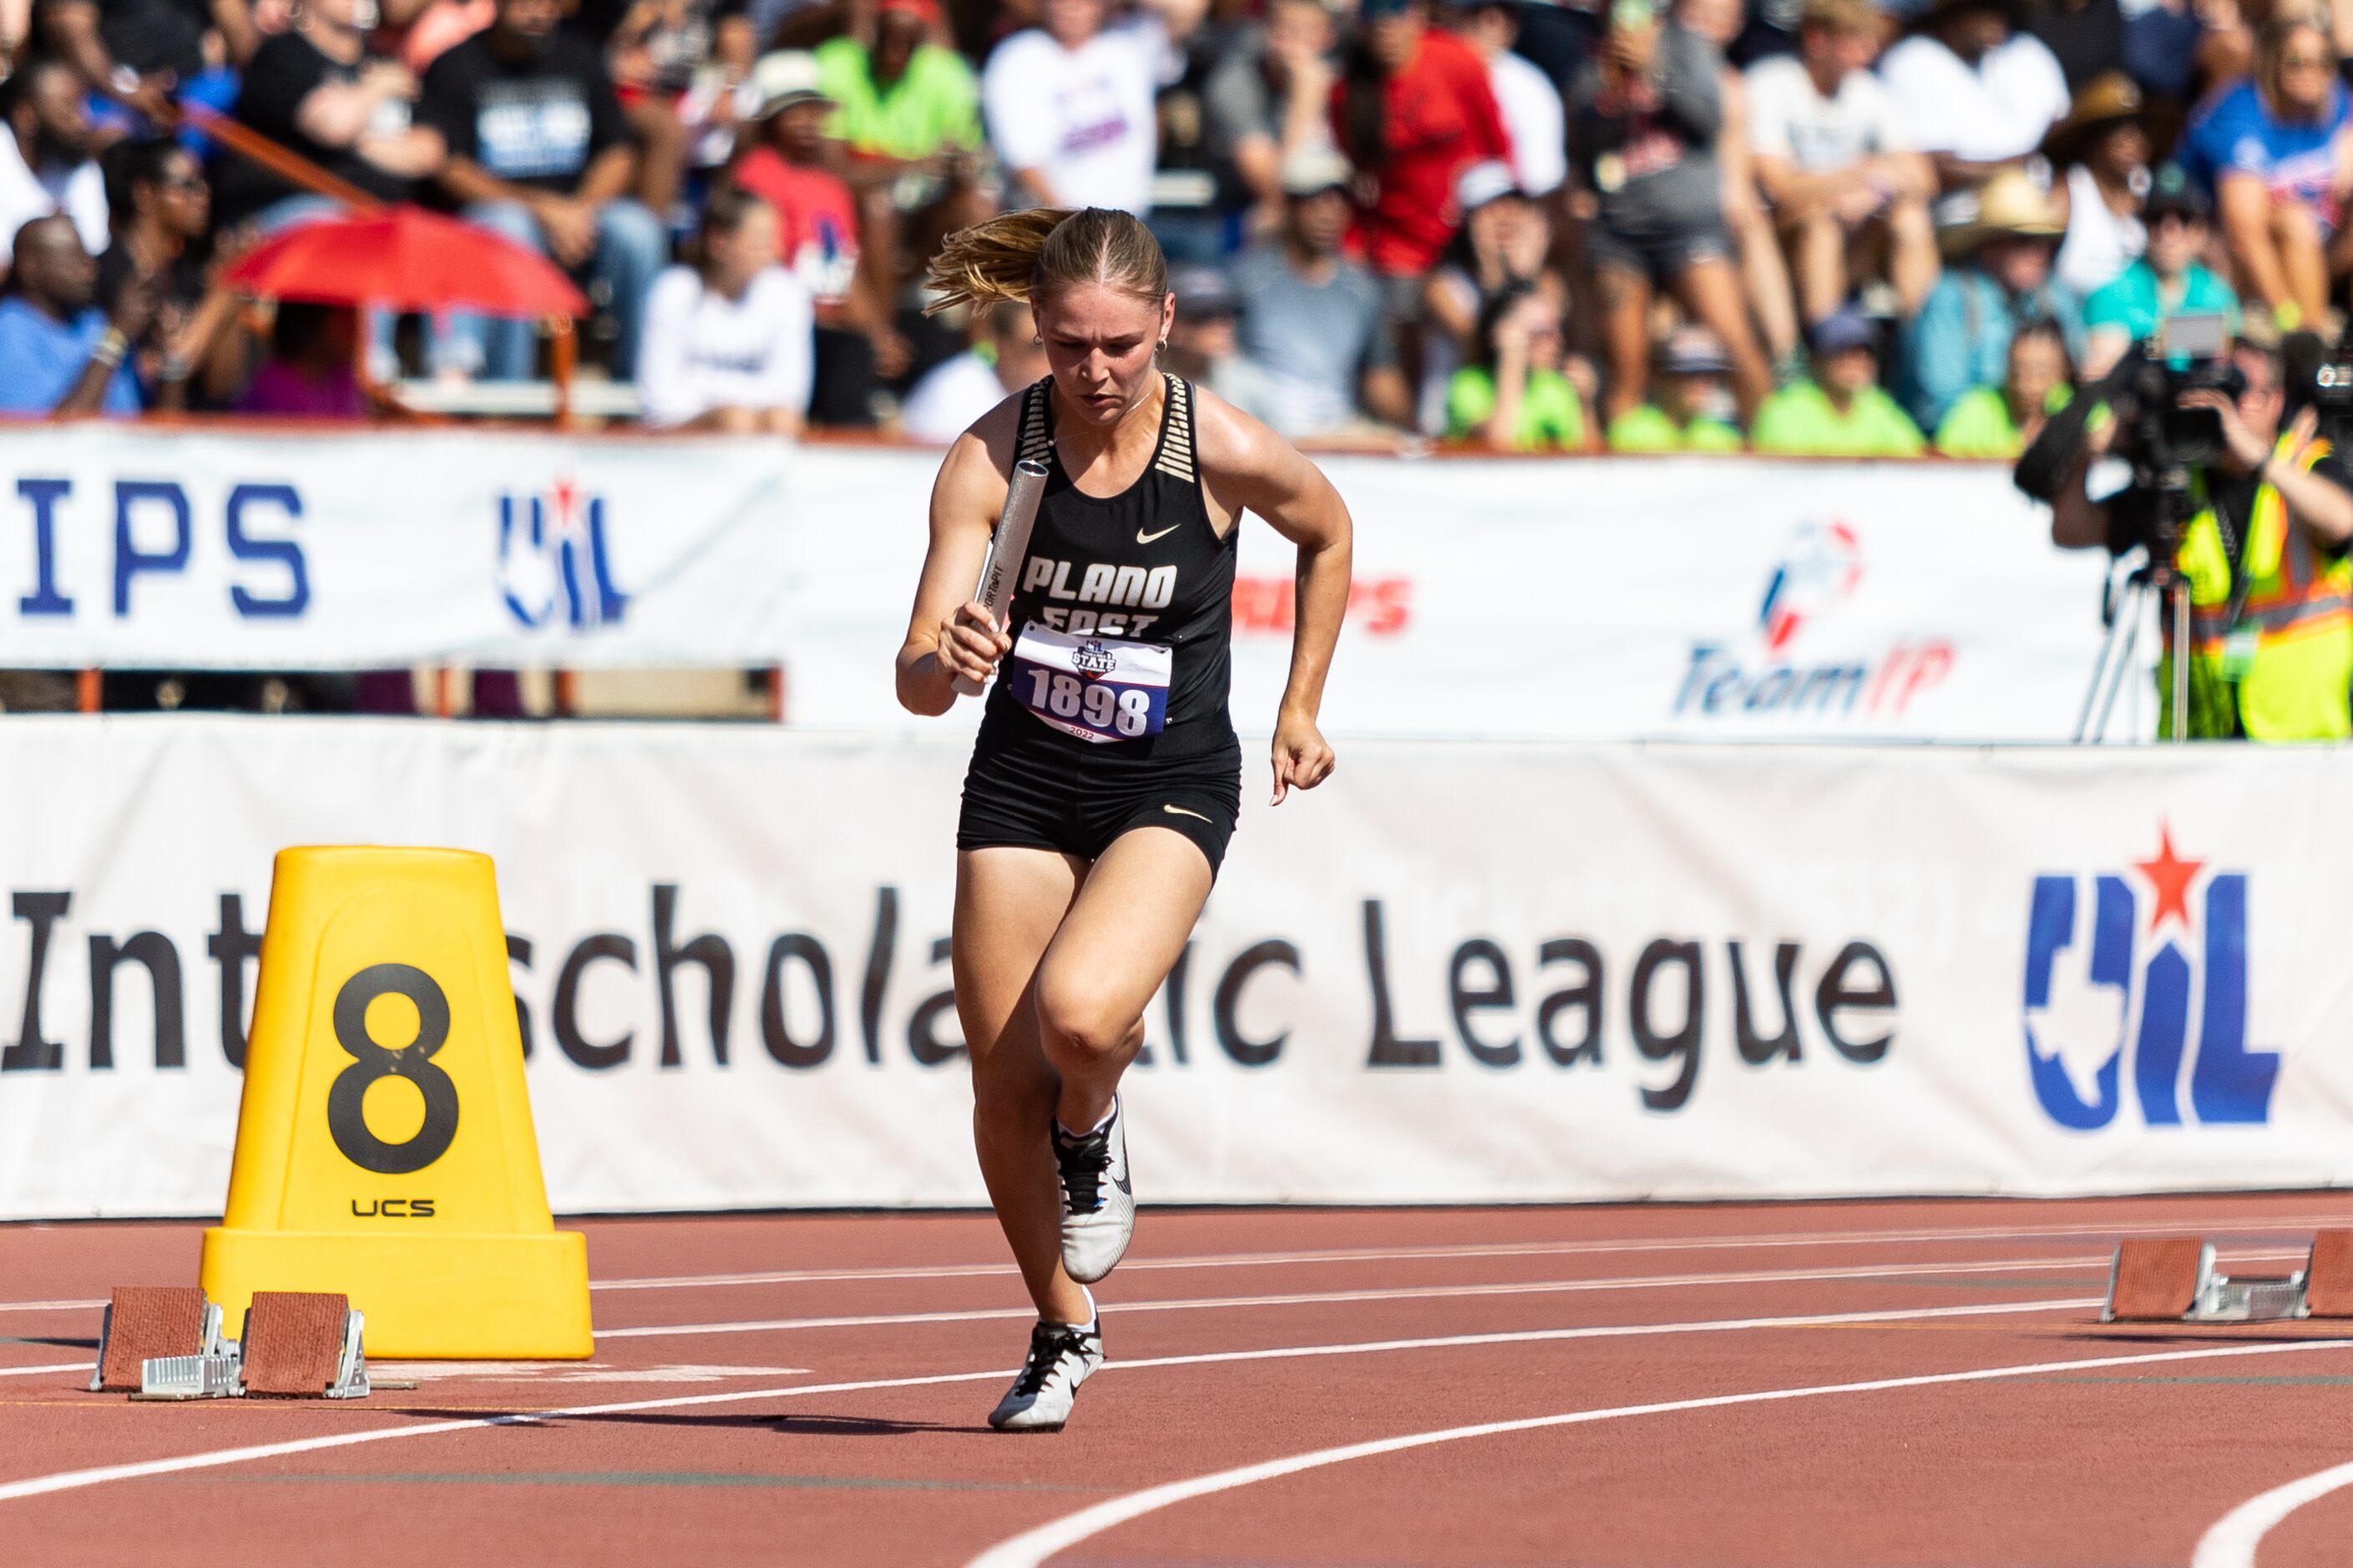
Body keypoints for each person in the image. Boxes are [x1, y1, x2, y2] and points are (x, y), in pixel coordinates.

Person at [898, 205, 1349, 1431]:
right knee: (998, 1088)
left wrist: (1298, 705)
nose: (1093, 373)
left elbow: (1326, 531)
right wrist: (954, 652)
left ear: (1163, 323)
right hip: (1024, 783)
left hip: (1166, 777)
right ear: (1033, 331)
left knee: (1083, 1019)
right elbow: (915, 682)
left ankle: (1093, 1128)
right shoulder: (992, 460)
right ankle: (1061, 1326)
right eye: (1065, 346)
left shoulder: (1221, 448)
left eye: (1117, 346)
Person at [2047, 338, 2353, 739]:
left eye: (2238, 393)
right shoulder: (2175, 483)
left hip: (2301, 745)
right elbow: (2070, 531)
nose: (2223, 408)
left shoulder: (2306, 464)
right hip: (2200, 745)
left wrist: (2255, 456)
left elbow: (2341, 520)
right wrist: (2091, 448)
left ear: (2275, 401)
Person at [418, 0, 666, 380]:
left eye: (549, 2)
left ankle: (644, 385)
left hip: (579, 219)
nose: (539, 10)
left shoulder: (581, 57)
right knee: (509, 226)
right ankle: (507, 392)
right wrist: (541, 209)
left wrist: (579, 211)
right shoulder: (455, 65)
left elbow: (617, 153)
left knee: (638, 230)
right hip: (494, 220)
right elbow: (450, 169)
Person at [1569, 0, 1770, 424]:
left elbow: (1708, 120)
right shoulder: (1590, 66)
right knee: (1627, 366)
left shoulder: (1688, 46)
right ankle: (1622, 465)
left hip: (1691, 228)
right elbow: (1583, 152)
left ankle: (1772, 452)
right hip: (1620, 234)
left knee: (1735, 345)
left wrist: (1655, 70)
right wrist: (1611, 96)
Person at [731, 50, 902, 424]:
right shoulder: (755, 176)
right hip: (778, 327)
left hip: (831, 327)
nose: (808, 121)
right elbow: (761, 268)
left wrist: (878, 332)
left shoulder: (831, 187)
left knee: (869, 351)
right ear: (771, 118)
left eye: (814, 111)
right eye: (795, 111)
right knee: (848, 358)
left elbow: (842, 268)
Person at [1744, 0, 1936, 326]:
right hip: (1787, 238)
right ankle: (1828, 347)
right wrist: (1861, 174)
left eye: (1873, 39)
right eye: (1857, 38)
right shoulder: (1769, 83)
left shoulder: (1870, 91)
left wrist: (1873, 192)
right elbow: (1781, 189)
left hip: (1857, 236)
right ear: (1816, 40)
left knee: (1911, 217)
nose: (1870, 49)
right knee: (1821, 226)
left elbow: (1924, 177)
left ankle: (1920, 343)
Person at [1333, 0, 1510, 319]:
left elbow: (1497, 144)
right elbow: (1357, 176)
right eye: (1373, 14)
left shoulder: (1455, 60)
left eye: (1396, 11)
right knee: (1406, 339)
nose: (1385, 25)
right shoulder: (1349, 92)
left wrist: (1501, 218)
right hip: (1399, 246)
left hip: (1466, 237)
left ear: (1417, 16)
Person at [2178, 18, 2350, 338]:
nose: (2310, 73)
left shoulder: (2336, 101)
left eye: (2322, 63)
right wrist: (2288, 319)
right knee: (2294, 220)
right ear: (2272, 63)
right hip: (2221, 267)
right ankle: (2307, 340)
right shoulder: (2239, 115)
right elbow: (2244, 233)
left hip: (2307, 255)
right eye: (2296, 62)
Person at [1230, 144, 1411, 435]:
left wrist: (1417, 435)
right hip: (1265, 436)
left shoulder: (1363, 291)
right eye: (1314, 201)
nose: (1328, 213)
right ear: (1288, 206)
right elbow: (1225, 366)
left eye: (1338, 202)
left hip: (1339, 436)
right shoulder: (1246, 280)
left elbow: (1382, 379)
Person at [219, 0, 446, 228]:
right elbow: (334, 127)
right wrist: (378, 88)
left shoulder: (383, 60)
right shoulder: (282, 55)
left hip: (388, 216)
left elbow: (431, 153)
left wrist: (353, 134)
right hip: (301, 210)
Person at [1899, 168, 2082, 432]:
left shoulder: (2055, 295)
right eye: (2023, 241)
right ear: (1988, 245)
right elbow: (1940, 402)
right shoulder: (1949, 297)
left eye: (2046, 242)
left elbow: (2078, 378)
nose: (2038, 253)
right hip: (1961, 448)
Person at [638, 186, 812, 432]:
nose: (776, 254)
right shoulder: (673, 291)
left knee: (781, 422)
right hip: (682, 434)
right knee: (735, 421)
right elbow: (660, 402)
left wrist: (731, 405)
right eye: (760, 242)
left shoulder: (787, 293)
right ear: (719, 242)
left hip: (758, 423)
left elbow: (790, 394)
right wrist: (725, 413)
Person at [981, 0, 1161, 215]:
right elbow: (1022, 162)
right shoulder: (1018, 58)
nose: (1071, 7)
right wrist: (1072, 224)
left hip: (1131, 218)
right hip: (1054, 226)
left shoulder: (1127, 50)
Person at [1877, 0, 2068, 195]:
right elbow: (1930, 168)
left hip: (2046, 203)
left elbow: (2064, 129)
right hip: (1965, 216)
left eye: (2004, 9)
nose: (1997, 20)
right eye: (1984, 9)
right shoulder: (1912, 61)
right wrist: (2019, 167)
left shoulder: (2026, 50)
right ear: (1952, 12)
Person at [1202, 0, 1339, 237]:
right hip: (1240, 212)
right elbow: (1274, 190)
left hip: (1330, 213)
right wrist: (1304, 100)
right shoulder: (1233, 84)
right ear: (1264, 31)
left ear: (1328, 37)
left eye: (1308, 33)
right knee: (1263, 223)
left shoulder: (1345, 82)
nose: (1295, 46)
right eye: (1285, 31)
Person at [2082, 163, 2234, 377]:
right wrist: (2203, 332)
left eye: (2184, 218)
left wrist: (2145, 342)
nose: (2169, 233)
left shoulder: (2216, 290)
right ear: (2143, 226)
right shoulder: (2112, 292)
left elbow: (2233, 341)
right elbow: (2102, 366)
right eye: (2156, 218)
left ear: (2200, 231)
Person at [0, 212, 146, 414]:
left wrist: (172, 361)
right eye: (74, 259)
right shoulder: (10, 331)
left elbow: (157, 422)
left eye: (87, 256)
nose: (90, 268)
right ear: (30, 266)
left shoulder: (95, 322)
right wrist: (115, 337)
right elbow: (52, 435)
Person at [1751, 307, 1924, 454]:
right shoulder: (1785, 411)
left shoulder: (1878, 407)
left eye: (1864, 353)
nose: (1855, 362)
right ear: (1817, 360)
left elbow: (1916, 463)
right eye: (1842, 353)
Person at [1445, 281, 1595, 448]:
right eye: (1542, 332)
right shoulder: (1470, 385)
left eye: (1558, 329)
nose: (1557, 342)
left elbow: (1591, 463)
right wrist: (1511, 363)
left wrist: (1585, 405)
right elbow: (1496, 446)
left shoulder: (1554, 387)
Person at [1440, 0, 1566, 197]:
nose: (1494, 24)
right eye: (1475, 13)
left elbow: (1541, 184)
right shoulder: (1420, 73)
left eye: (1507, 14)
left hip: (1504, 213)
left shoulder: (1530, 87)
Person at [2047, 72, 2148, 300]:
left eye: (2139, 128)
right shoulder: (2066, 195)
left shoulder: (2151, 192)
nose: (2134, 141)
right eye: (2119, 129)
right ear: (2090, 140)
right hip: (2082, 327)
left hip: (2148, 327)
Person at [901, 298, 1049, 443]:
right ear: (1004, 348)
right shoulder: (953, 394)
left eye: (1061, 344)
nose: (1051, 360)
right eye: (1037, 347)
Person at [0, 54, 105, 257]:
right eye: (67, 108)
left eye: (82, 106)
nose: (82, 121)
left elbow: (93, 252)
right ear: (26, 114)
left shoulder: (81, 164)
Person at [1933, 315, 2070, 455]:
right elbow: (1942, 459)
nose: (2031, 384)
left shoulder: (2073, 407)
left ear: (2062, 372)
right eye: (2019, 371)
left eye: (2042, 373)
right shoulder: (1977, 408)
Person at [1607, 322, 1744, 448]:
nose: (1702, 385)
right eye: (1690, 375)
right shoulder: (1630, 433)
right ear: (1662, 378)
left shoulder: (1722, 438)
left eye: (1710, 374)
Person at [237, 301, 370, 417]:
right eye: (347, 320)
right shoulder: (273, 390)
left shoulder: (344, 380)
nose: (355, 332)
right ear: (314, 323)